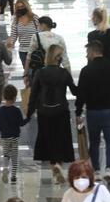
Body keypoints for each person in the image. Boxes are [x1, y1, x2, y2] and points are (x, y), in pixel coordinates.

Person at [28, 43, 76, 184]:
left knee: (48, 140)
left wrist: (29, 112)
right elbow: (74, 91)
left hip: (44, 111)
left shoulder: (40, 73)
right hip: (61, 110)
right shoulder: (64, 73)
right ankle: (58, 165)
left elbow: (34, 94)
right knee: (60, 139)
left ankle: (53, 166)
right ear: (58, 58)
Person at [76, 41, 110, 177]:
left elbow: (81, 93)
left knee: (94, 141)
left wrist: (78, 111)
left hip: (93, 111)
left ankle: (96, 170)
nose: (87, 56)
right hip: (109, 109)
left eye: (87, 53)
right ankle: (109, 169)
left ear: (92, 52)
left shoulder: (86, 70)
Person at [0, 85, 24, 184]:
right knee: (14, 157)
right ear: (14, 97)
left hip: (4, 137)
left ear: (4, 96)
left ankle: (5, 169)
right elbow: (21, 123)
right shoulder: (16, 110)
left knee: (6, 155)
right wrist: (28, 118)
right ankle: (13, 177)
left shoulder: (0, 110)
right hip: (14, 137)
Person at [9, 0, 38, 68]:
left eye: (22, 6)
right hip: (23, 52)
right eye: (18, 7)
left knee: (35, 72)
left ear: (26, 6)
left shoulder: (34, 18)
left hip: (35, 50)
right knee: (27, 73)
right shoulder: (16, 20)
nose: (20, 9)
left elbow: (41, 33)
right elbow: (13, 35)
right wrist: (10, 45)